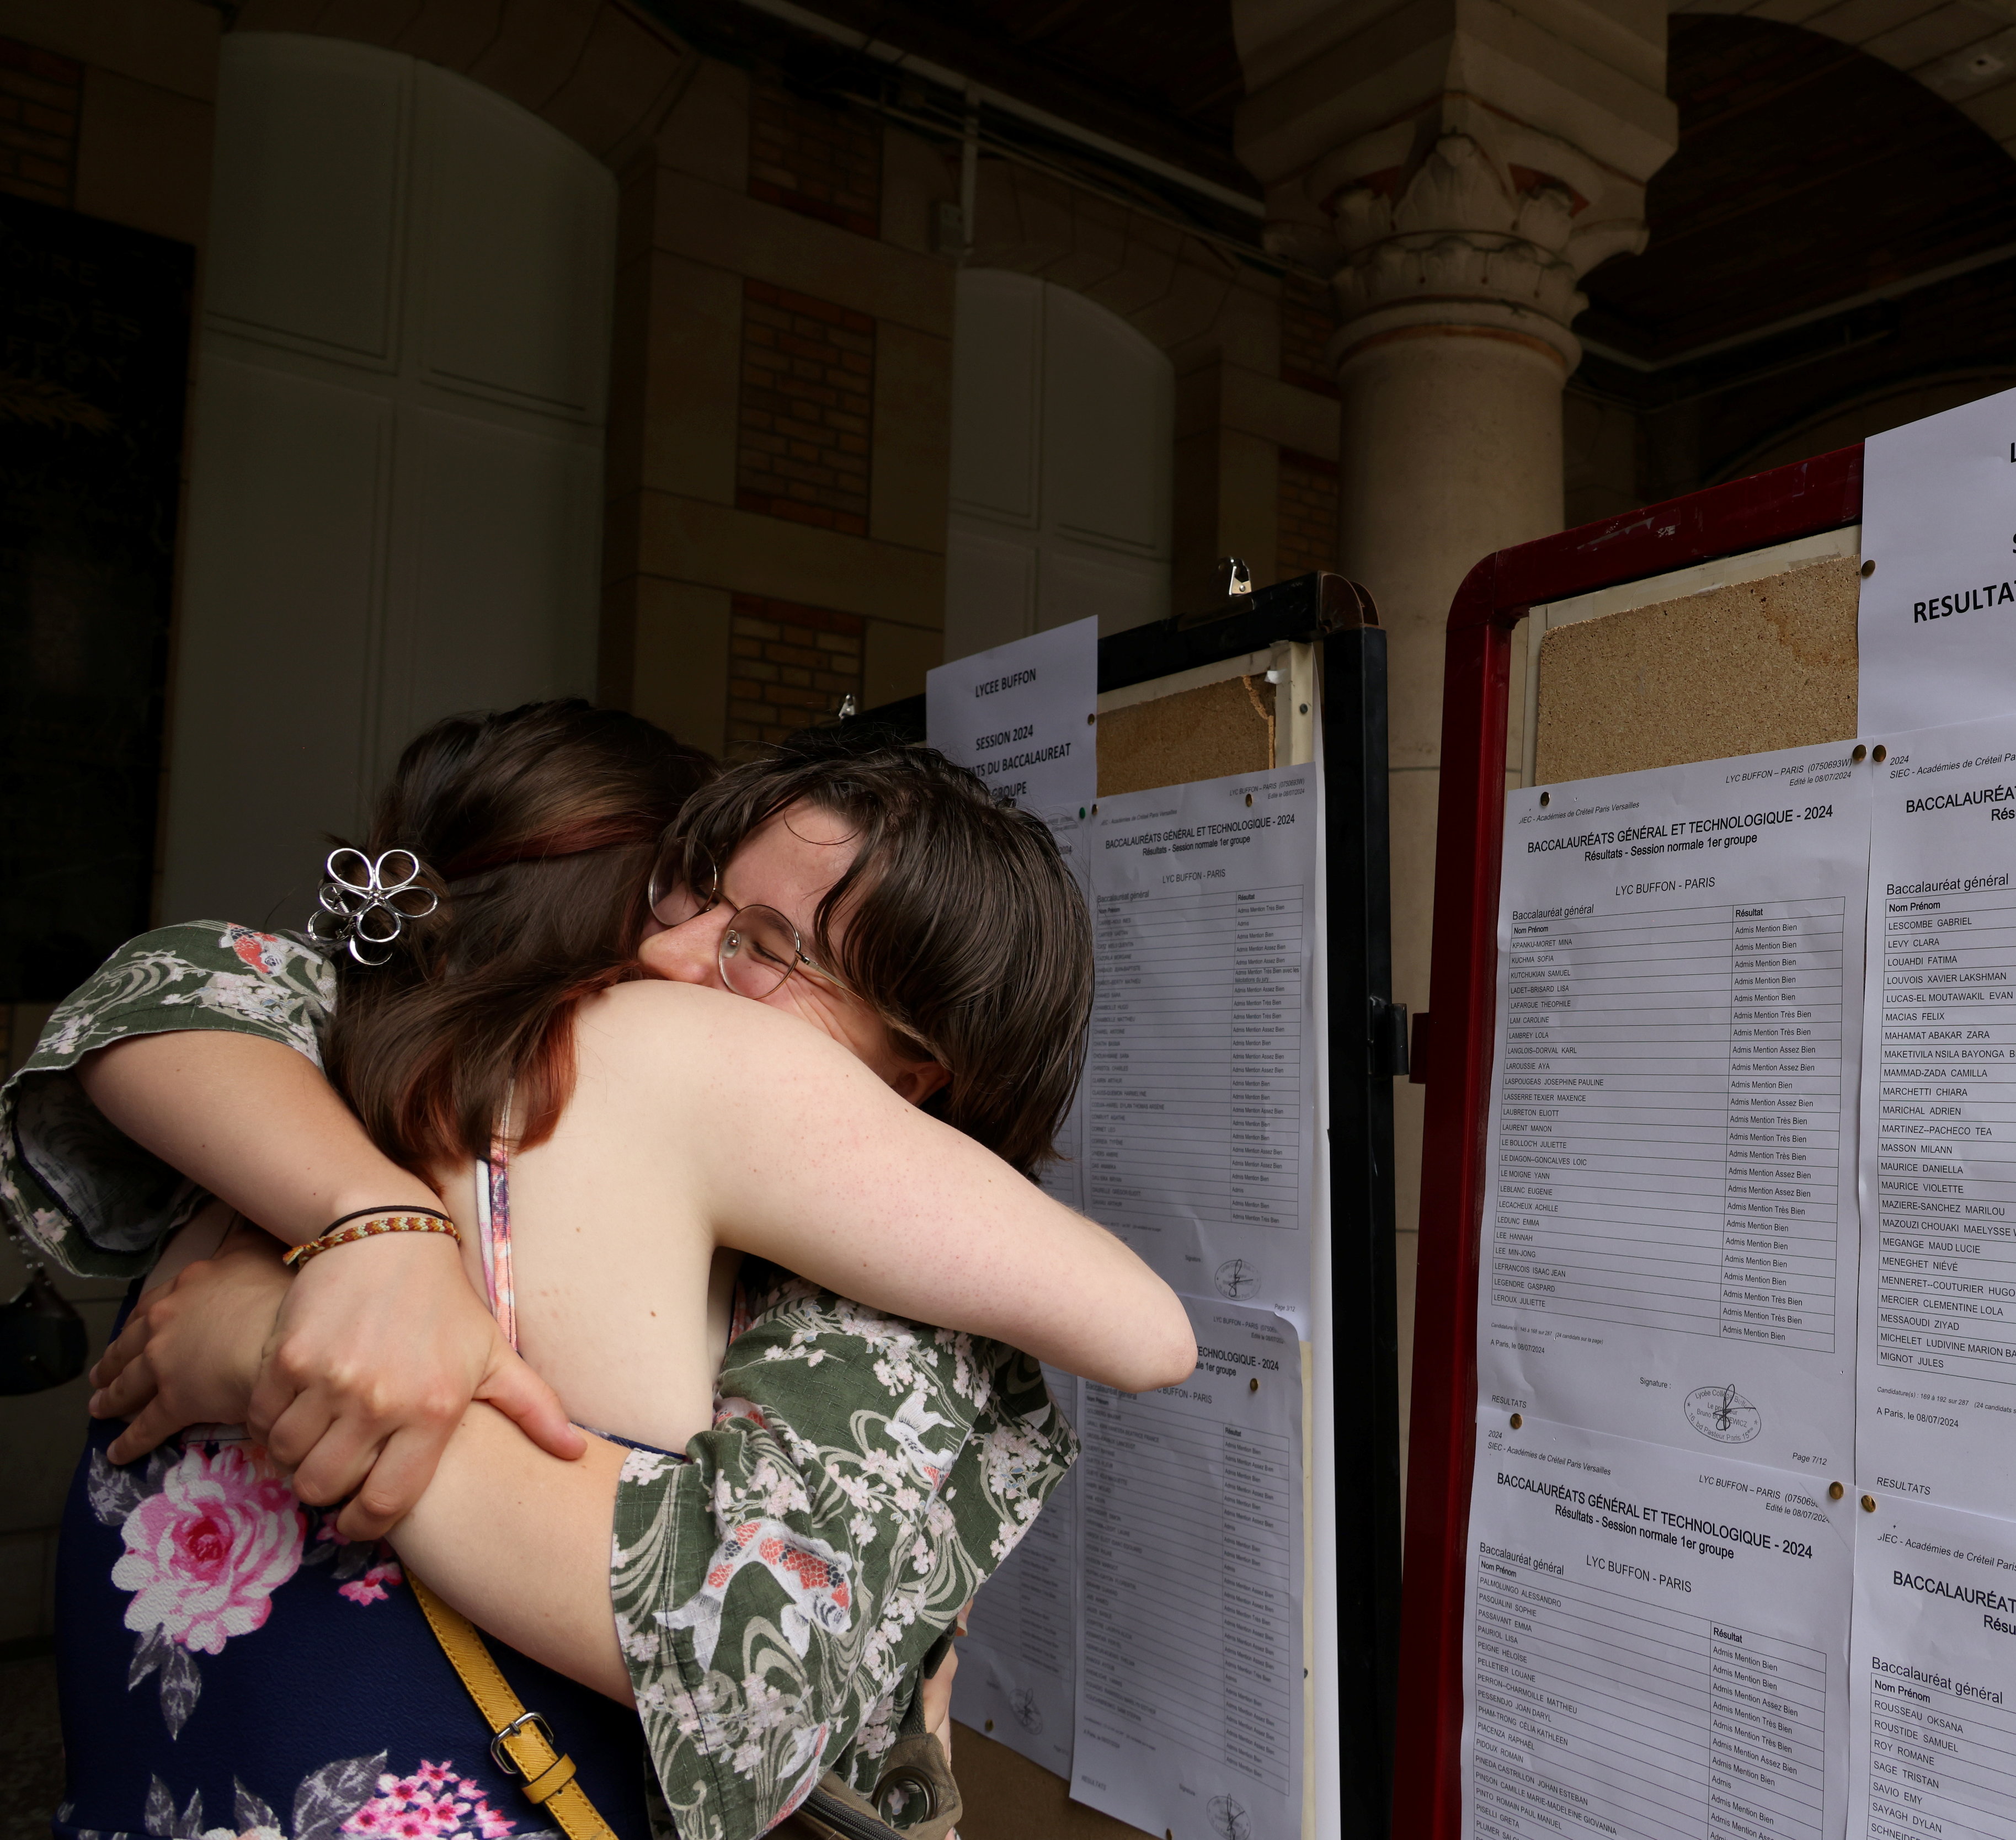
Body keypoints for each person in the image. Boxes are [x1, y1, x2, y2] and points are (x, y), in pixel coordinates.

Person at [8, 703, 1190, 1840]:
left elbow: (1146, 1333)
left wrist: (274, 1352)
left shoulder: (357, 1088)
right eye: (689, 891)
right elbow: (175, 989)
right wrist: (377, 1229)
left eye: (763, 949)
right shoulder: (421, 1089)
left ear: (919, 1080)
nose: (663, 951)